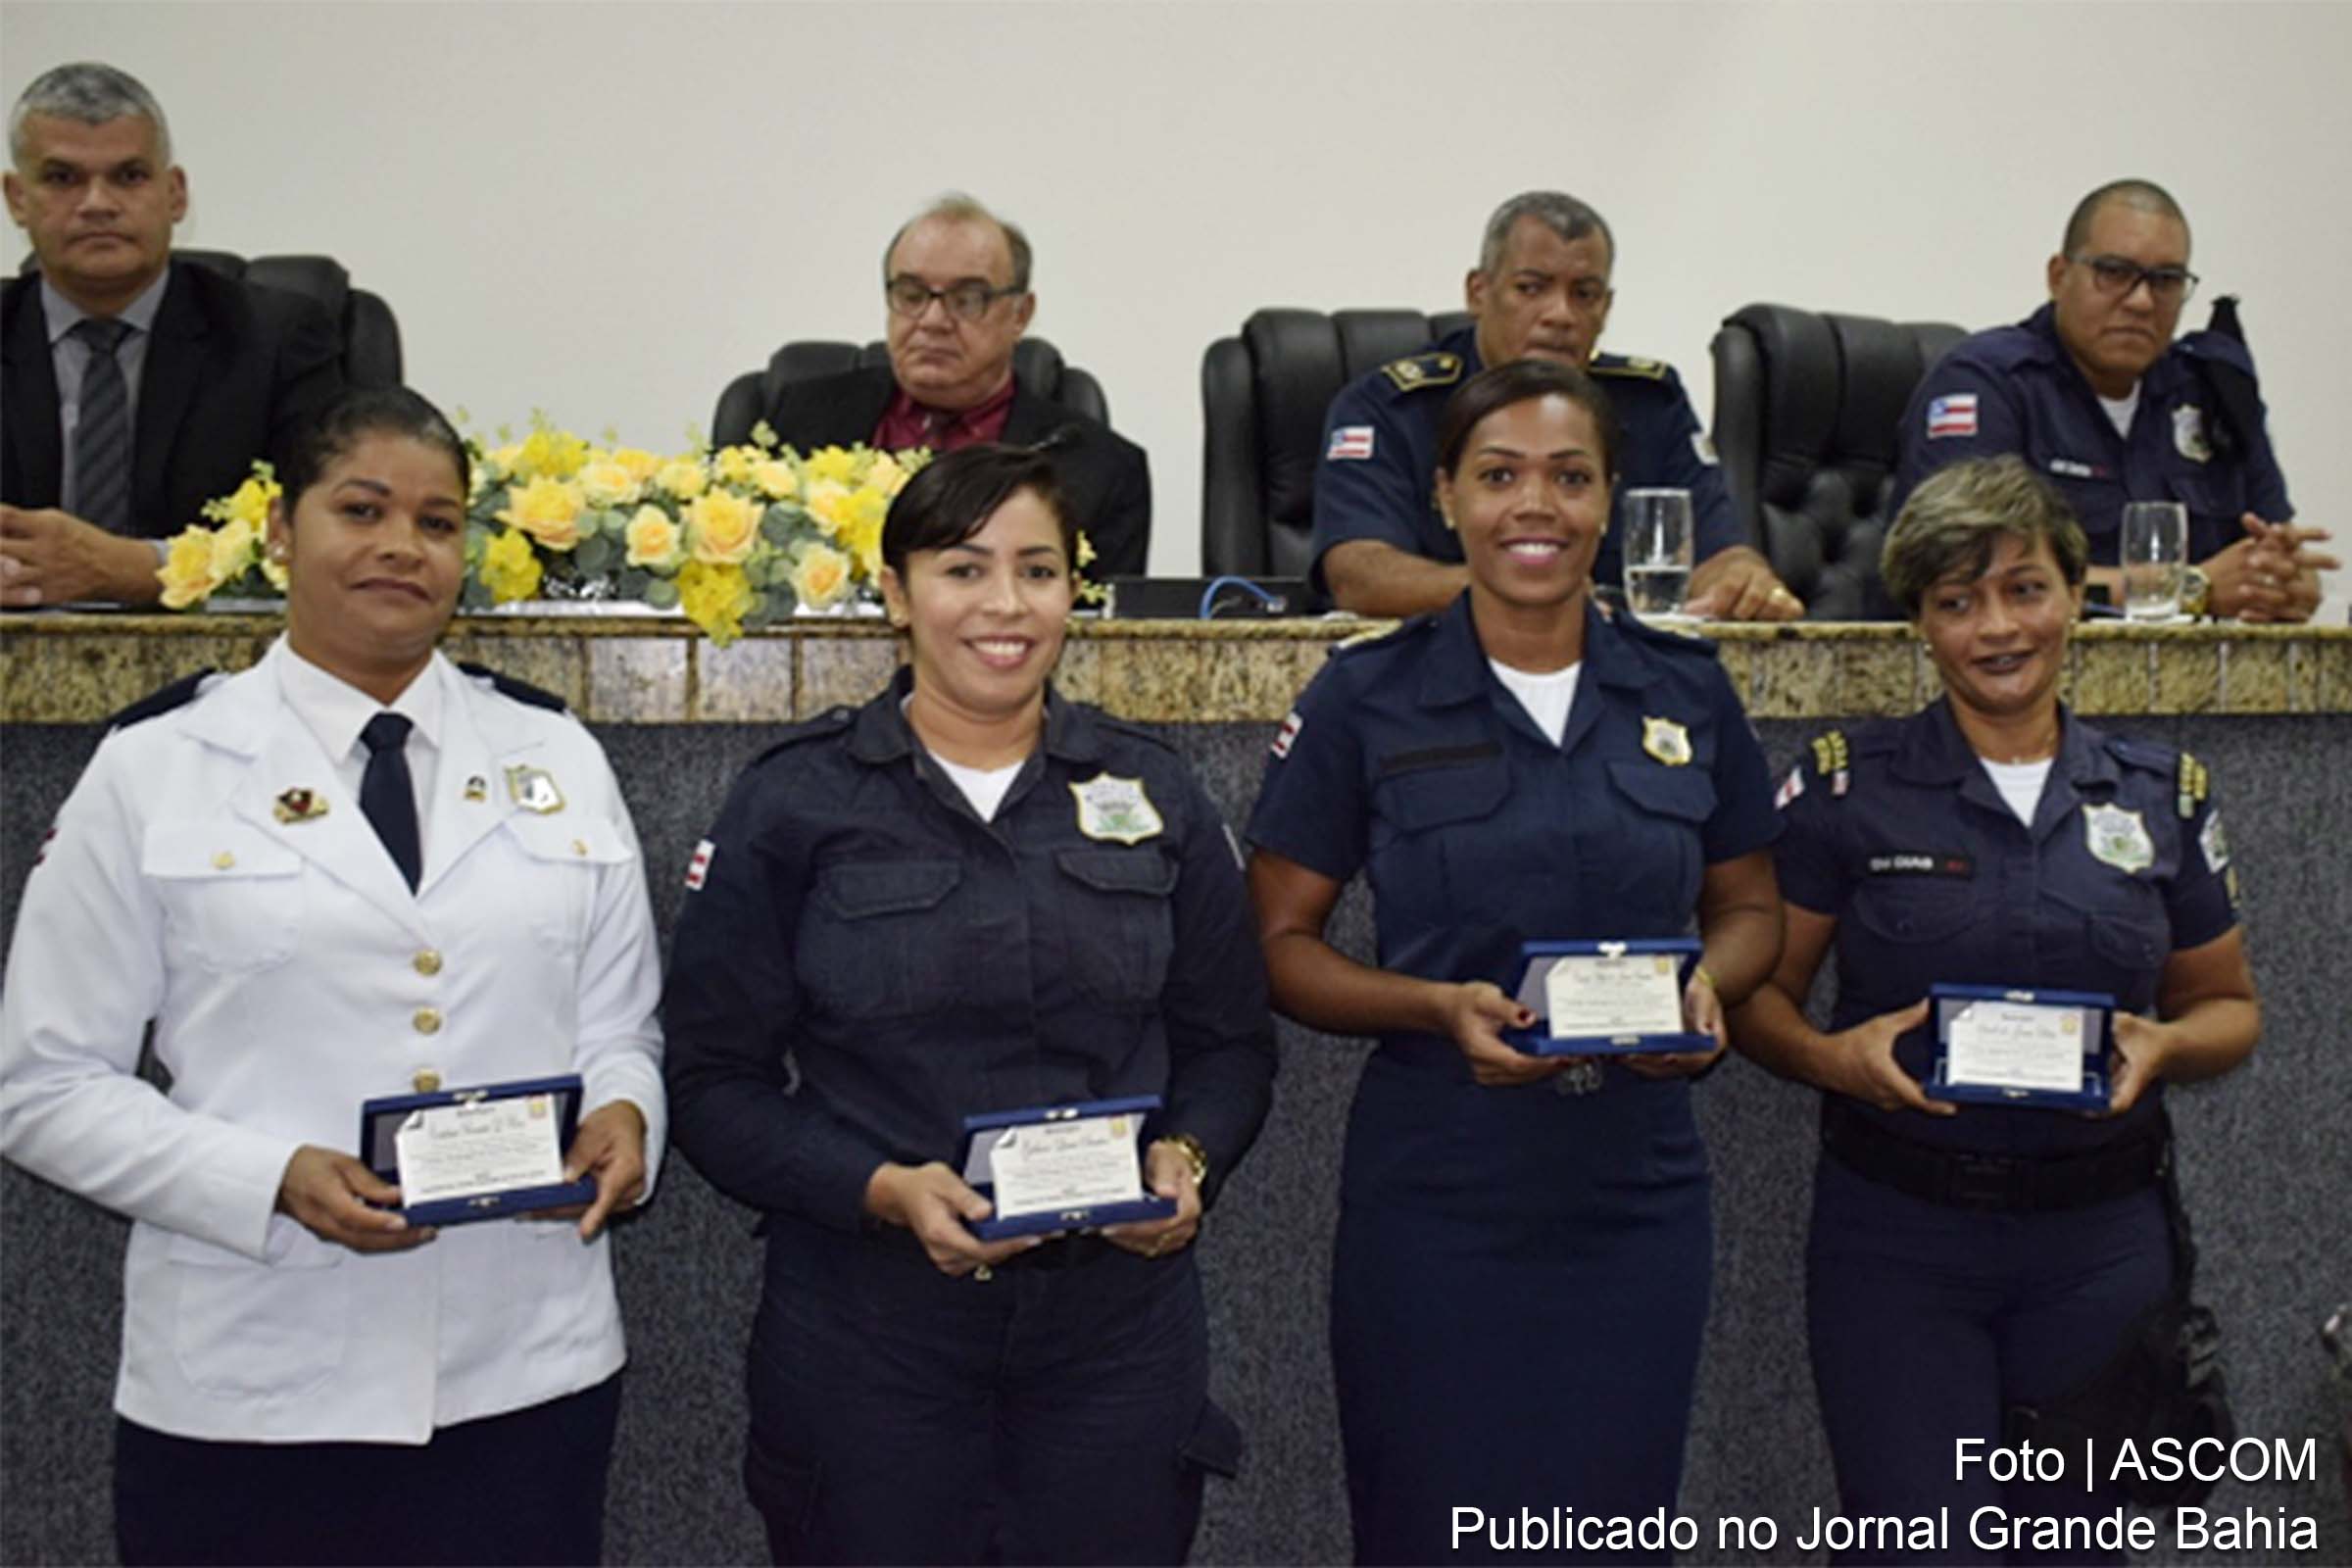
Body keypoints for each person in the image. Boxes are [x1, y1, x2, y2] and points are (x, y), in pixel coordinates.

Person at [0, 385, 665, 1567]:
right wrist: (268, 1178)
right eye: (361, 509)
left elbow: (621, 1026)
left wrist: (626, 1113)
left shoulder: (556, 754)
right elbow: (41, 1085)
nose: (403, 545)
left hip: (521, 1368)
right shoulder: (156, 768)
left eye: (438, 521)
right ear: (278, 530)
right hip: (252, 1373)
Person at [662, 442, 1274, 1565]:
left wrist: (1188, 1155)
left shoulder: (1155, 789)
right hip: (871, 1334)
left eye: (1037, 571)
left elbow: (1231, 1042)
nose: (1005, 604)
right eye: (962, 568)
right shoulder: (795, 801)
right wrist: (882, 1189)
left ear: (1073, 592)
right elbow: (709, 1084)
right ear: (896, 595)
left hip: (1113, 1336)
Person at [1248, 359, 1784, 1564]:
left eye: (1569, 477)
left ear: (1609, 501)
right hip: (1442, 1182)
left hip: (1637, 1183)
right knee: (1432, 1522)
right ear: (1445, 497)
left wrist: (1711, 985)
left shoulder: (1686, 686)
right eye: (1498, 476)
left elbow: (1754, 906)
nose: (1534, 506)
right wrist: (1434, 1006)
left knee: (1612, 1524)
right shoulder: (1367, 694)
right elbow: (1277, 945)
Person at [1730, 455, 2259, 1559]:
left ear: (2073, 597)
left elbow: (2227, 1008)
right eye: (1957, 601)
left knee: (2076, 1547)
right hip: (1901, 1242)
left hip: (2101, 1246)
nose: (1998, 627)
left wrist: (2163, 1044)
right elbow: (1758, 998)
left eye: (2025, 589)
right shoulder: (1844, 785)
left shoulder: (2162, 792)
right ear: (1921, 625)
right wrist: (1832, 1059)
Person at [1309, 189, 1800, 622]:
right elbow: (1359, 575)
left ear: (1605, 308)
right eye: (1531, 288)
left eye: (1584, 294)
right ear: (1479, 292)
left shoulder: (1651, 404)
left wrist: (1743, 581)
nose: (1561, 315)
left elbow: (1717, 552)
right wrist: (1527, 592)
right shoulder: (1391, 406)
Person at [1889, 177, 2333, 622]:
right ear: (2059, 277)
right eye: (2115, 272)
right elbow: (1958, 579)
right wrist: (2190, 588)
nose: (2141, 301)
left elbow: (2278, 552)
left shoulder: (2213, 388)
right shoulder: (1990, 384)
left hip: (2190, 665)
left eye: (2166, 280)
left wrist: (2286, 584)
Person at [1, 61, 344, 608]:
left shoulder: (276, 339)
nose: (97, 204)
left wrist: (137, 570)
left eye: (129, 176)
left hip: (213, 653)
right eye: (63, 179)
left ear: (175, 194)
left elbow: (329, 529)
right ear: (17, 198)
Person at [749, 192, 1152, 578]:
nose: (932, 321)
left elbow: (1098, 625)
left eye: (967, 299)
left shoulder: (1100, 468)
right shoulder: (800, 419)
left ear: (1020, 315)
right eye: (911, 295)